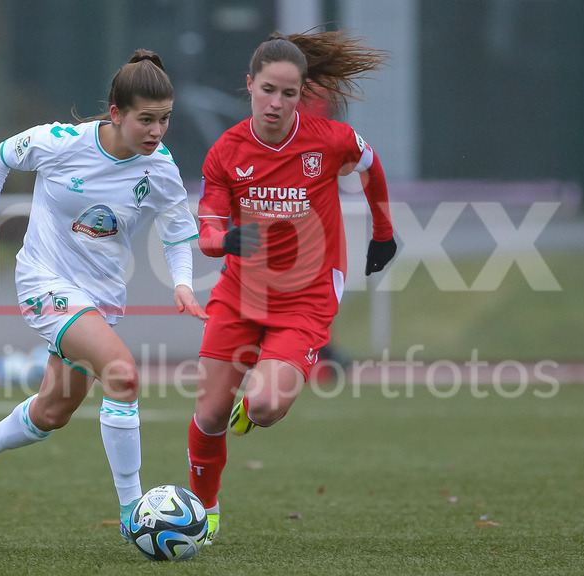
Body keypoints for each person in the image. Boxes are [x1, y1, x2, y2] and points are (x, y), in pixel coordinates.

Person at [0, 50, 207, 542]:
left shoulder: (160, 167)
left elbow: (178, 231)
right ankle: (134, 512)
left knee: (53, 412)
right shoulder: (62, 142)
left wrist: (182, 281)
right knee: (123, 373)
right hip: (44, 281)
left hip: (100, 299)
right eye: (146, 120)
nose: (157, 131)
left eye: (165, 120)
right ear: (116, 114)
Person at [187, 30, 398, 544]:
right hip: (241, 294)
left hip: (306, 300)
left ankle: (255, 396)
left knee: (262, 406)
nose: (276, 102)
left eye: (289, 92)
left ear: (302, 94)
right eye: (267, 90)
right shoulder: (226, 151)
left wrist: (384, 233)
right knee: (210, 412)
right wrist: (224, 241)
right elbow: (208, 226)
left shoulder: (329, 140)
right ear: (249, 86)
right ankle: (204, 507)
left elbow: (371, 169)